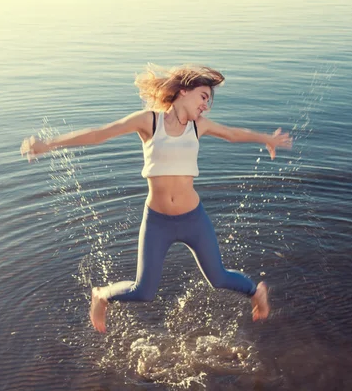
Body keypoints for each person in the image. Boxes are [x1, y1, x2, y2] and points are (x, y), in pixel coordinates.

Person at [20, 64, 292, 333]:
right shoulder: (149, 120)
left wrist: (266, 138)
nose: (206, 106)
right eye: (204, 97)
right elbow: (99, 134)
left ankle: (256, 292)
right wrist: (48, 145)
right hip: (157, 221)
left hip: (193, 219)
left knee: (218, 278)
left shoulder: (199, 126)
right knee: (144, 291)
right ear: (184, 91)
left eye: (209, 100)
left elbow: (233, 135)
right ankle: (101, 295)